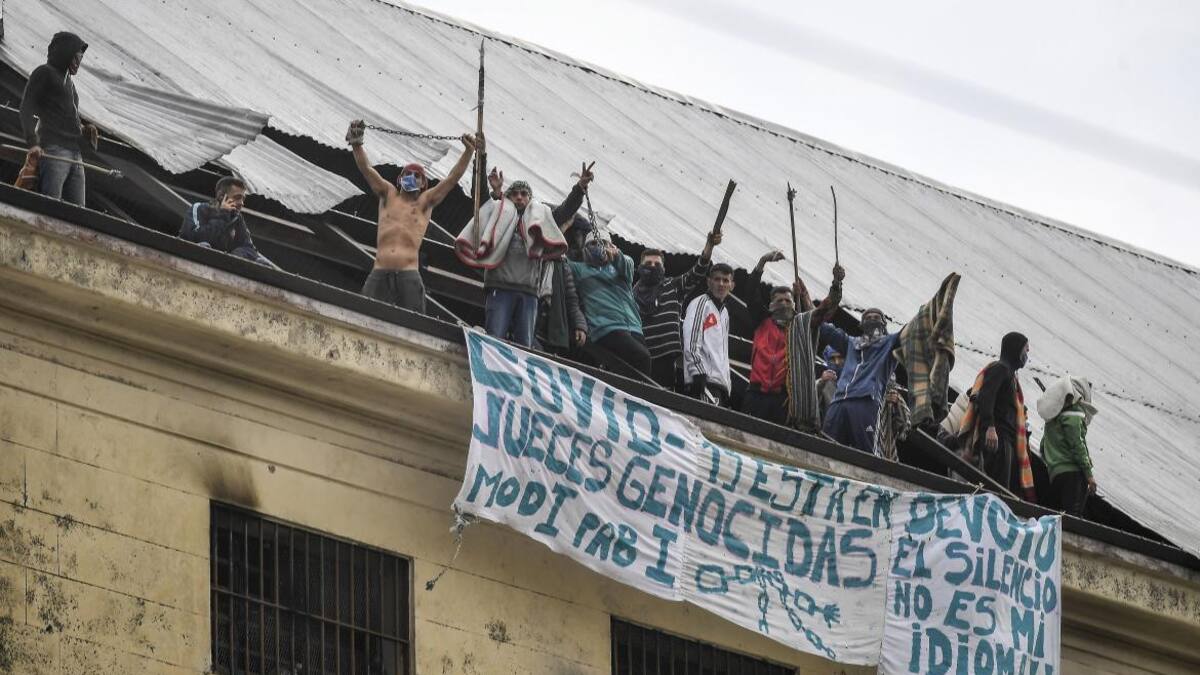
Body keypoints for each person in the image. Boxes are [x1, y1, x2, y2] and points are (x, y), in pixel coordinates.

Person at [819, 272, 960, 455]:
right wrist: (804, 297)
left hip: (866, 402)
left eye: (877, 318)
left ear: (884, 326)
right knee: (824, 447)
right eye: (867, 317)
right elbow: (820, 325)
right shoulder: (851, 343)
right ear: (861, 326)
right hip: (839, 402)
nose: (871, 319)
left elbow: (914, 326)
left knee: (866, 455)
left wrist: (937, 301)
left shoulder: (889, 344)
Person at [346, 120, 478, 313]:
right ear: (400, 179)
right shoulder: (388, 193)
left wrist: (468, 152)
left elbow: (452, 179)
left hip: (408, 272)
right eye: (407, 174)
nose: (412, 177)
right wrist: (357, 143)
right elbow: (366, 169)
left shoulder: (425, 202)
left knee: (414, 321)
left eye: (416, 175)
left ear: (423, 182)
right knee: (366, 315)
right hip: (381, 269)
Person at [456, 167, 591, 347]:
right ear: (508, 197)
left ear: (530, 199)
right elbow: (481, 200)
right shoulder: (496, 215)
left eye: (524, 194)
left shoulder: (540, 221)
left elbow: (565, 211)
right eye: (515, 194)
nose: (520, 197)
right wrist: (481, 160)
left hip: (529, 293)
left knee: (524, 348)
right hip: (500, 288)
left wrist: (580, 187)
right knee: (494, 340)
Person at [19, 31, 98, 206]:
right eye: (75, 58)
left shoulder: (70, 83)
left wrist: (84, 129)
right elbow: (26, 108)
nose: (78, 63)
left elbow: (68, 116)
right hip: (54, 150)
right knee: (50, 205)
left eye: (80, 60)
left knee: (79, 211)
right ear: (65, 53)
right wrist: (32, 143)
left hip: (75, 154)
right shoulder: (44, 72)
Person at [634, 232, 720, 390]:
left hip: (665, 358)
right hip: (640, 356)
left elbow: (697, 272)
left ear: (664, 268)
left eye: (657, 264)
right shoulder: (632, 294)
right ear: (640, 267)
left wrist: (709, 246)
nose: (653, 267)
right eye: (648, 263)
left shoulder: (673, 286)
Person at [957, 332, 1036, 500]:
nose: (1026, 356)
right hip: (998, 438)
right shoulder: (1000, 369)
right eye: (1025, 350)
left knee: (1003, 486)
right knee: (997, 488)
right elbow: (986, 397)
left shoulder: (1011, 376)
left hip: (1006, 438)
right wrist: (990, 427)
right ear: (1015, 350)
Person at [566, 231, 650, 378]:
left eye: (603, 243)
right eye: (592, 244)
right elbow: (561, 260)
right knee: (643, 358)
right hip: (607, 327)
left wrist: (616, 256)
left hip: (634, 327)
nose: (598, 247)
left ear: (612, 246)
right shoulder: (580, 270)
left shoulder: (622, 266)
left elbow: (627, 265)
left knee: (633, 369)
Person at [179, 177, 276, 267]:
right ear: (221, 196)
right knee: (204, 245)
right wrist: (222, 215)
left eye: (243, 199)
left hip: (221, 267)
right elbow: (194, 237)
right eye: (237, 197)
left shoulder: (236, 218)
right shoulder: (199, 208)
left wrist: (236, 256)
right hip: (192, 263)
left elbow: (249, 248)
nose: (242, 203)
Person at [1037, 375, 1098, 515]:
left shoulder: (1052, 418)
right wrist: (1089, 475)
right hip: (1074, 476)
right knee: (1072, 519)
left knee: (1055, 517)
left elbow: (1042, 447)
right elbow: (1078, 445)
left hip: (1056, 475)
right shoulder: (1074, 414)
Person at [682, 263, 736, 406]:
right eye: (717, 279)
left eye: (725, 280)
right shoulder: (701, 303)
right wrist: (699, 373)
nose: (721, 284)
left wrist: (727, 386)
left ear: (732, 285)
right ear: (709, 281)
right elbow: (691, 340)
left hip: (720, 386)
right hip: (703, 382)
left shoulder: (724, 313)